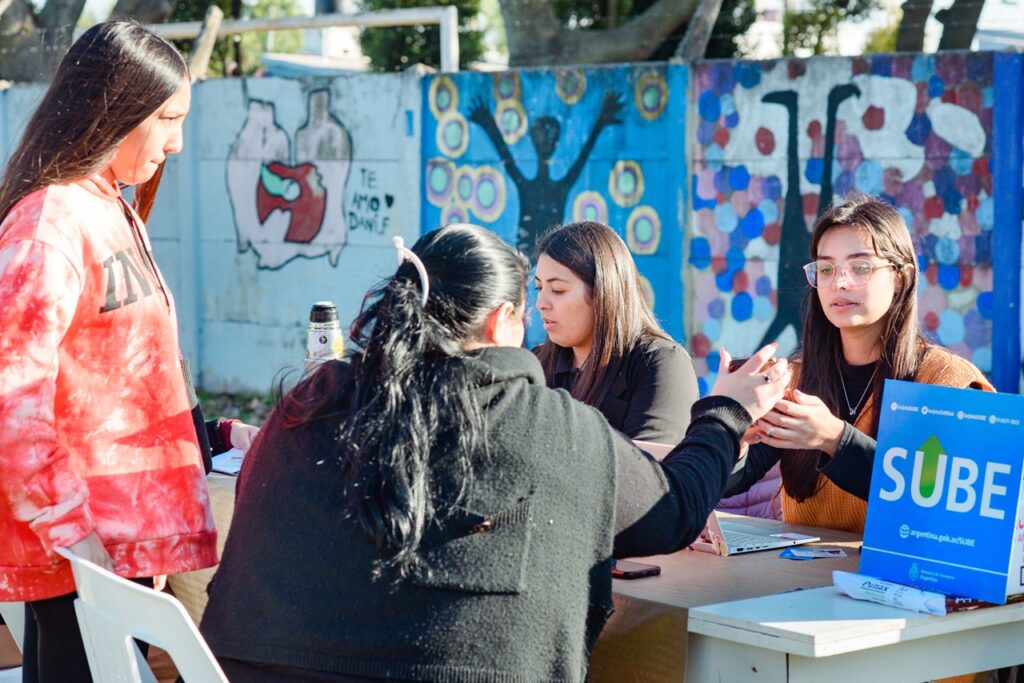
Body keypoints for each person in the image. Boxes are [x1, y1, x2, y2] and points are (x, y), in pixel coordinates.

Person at [200, 224, 791, 682]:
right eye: (536, 297)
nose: (544, 310)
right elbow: (676, 509)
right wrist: (727, 411)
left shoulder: (313, 399)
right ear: (502, 318)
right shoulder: (550, 425)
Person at [0, 21, 230, 682]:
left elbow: (114, 381)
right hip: (76, 556)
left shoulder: (109, 208)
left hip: (108, 552)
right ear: (115, 110)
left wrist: (208, 435)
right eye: (168, 118)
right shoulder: (52, 221)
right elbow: (13, 398)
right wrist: (75, 533)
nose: (178, 141)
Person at [723, 194, 993, 533]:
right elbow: (734, 482)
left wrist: (834, 439)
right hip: (803, 579)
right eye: (826, 268)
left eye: (861, 266)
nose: (840, 282)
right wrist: (731, 429)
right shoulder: (797, 379)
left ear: (902, 277)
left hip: (907, 581)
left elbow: (952, 507)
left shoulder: (945, 380)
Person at [533, 221, 699, 443]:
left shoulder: (659, 363)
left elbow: (649, 468)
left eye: (558, 290)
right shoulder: (537, 363)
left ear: (603, 292)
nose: (541, 303)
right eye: (538, 288)